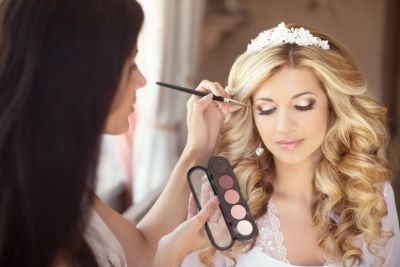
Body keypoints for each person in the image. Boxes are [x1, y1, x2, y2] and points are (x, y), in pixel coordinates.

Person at [0, 0, 232, 266]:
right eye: (131, 65)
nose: (142, 81)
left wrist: (198, 148)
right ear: (84, 77)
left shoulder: (56, 181)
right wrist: (170, 256)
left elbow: (141, 249)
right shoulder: (18, 218)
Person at [181, 22, 400, 267]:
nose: (284, 126)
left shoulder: (371, 195)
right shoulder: (225, 199)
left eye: (303, 105)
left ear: (333, 106)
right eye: (266, 109)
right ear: (252, 114)